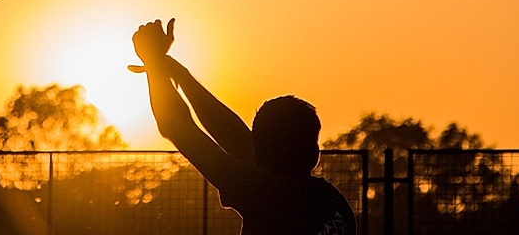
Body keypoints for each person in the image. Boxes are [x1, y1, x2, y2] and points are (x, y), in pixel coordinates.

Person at [130, 19, 356, 235]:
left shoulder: (267, 195)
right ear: (313, 152)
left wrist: (153, 60)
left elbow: (177, 127)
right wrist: (177, 72)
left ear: (262, 151)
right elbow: (235, 137)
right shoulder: (331, 200)